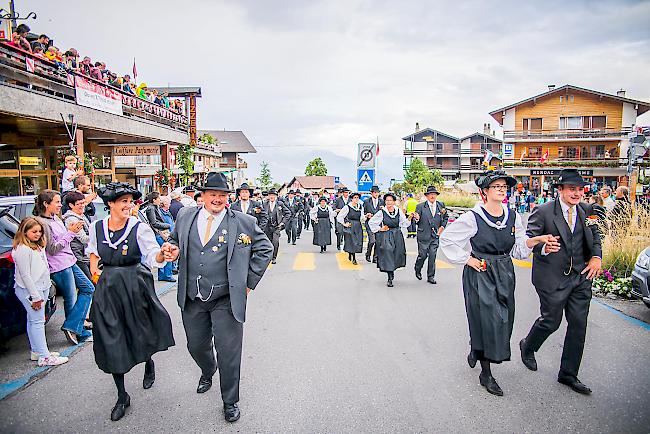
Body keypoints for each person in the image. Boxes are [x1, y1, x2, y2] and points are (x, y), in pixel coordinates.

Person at [164, 172, 273, 423]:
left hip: (226, 298)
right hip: (193, 295)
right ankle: (207, 369)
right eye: (212, 194)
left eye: (222, 195)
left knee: (229, 352)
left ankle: (230, 400)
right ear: (202, 196)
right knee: (196, 345)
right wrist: (171, 249)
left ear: (228, 197)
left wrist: (248, 283)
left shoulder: (243, 222)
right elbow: (174, 240)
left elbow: (264, 249)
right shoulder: (185, 216)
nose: (217, 199)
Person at [440, 171, 550, 396]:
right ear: (485, 192)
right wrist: (468, 259)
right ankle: (486, 372)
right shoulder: (473, 216)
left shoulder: (512, 216)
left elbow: (518, 250)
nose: (501, 189)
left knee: (504, 319)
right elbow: (447, 239)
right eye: (496, 186)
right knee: (488, 320)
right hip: (480, 271)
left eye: (504, 186)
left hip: (504, 272)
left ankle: (476, 347)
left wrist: (535, 240)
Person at [88, 182, 175, 421]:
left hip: (134, 283)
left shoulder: (138, 227)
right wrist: (97, 273)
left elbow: (152, 256)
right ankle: (121, 395)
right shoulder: (97, 227)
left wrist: (162, 253)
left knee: (140, 330)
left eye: (130, 201)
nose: (129, 206)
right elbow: (93, 253)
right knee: (111, 337)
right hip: (108, 288)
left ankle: (148, 361)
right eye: (123, 201)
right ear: (110, 204)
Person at [520, 169, 602, 396]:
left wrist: (596, 257)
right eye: (572, 189)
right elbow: (530, 240)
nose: (577, 194)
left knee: (578, 325)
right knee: (551, 321)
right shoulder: (543, 211)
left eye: (580, 189)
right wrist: (544, 247)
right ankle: (528, 345)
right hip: (552, 278)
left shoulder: (589, 210)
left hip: (581, 277)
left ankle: (568, 373)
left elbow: (595, 237)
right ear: (560, 190)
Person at [34, 190, 94, 345]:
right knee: (71, 298)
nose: (60, 205)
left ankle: (74, 326)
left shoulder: (55, 218)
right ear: (46, 204)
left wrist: (70, 233)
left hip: (70, 261)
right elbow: (52, 248)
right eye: (57, 202)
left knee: (88, 288)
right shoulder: (43, 223)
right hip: (59, 265)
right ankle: (76, 330)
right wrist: (71, 233)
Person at [12, 217, 68, 367]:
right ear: (24, 232)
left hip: (41, 286)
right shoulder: (22, 249)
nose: (37, 234)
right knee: (37, 321)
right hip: (30, 290)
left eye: (39, 231)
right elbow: (25, 275)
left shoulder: (37, 246)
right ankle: (44, 356)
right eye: (34, 231)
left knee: (34, 320)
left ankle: (37, 351)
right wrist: (35, 296)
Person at [368, 192, 411, 287]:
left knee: (396, 253)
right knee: (387, 251)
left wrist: (410, 218)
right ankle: (389, 276)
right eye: (387, 200)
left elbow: (404, 223)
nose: (388, 202)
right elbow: (372, 222)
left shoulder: (398, 211)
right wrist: (380, 229)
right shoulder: (382, 212)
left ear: (394, 202)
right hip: (386, 234)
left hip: (397, 235)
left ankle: (392, 270)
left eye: (390, 200)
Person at [413, 186, 448, 284]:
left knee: (432, 256)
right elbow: (417, 219)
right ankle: (417, 268)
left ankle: (431, 276)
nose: (432, 196)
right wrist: (416, 218)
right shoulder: (420, 206)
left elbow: (445, 217)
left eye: (434, 194)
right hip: (423, 234)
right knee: (422, 255)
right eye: (430, 194)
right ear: (427, 196)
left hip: (435, 235)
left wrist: (442, 227)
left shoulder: (441, 205)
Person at [144, 192, 174, 283]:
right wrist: (167, 225)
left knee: (163, 252)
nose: (160, 201)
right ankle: (167, 275)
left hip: (158, 233)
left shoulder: (153, 208)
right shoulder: (151, 209)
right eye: (158, 199)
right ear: (154, 200)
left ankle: (163, 275)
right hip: (159, 233)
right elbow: (154, 223)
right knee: (167, 252)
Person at [62, 191, 92, 280]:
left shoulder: (81, 215)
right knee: (89, 286)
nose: (82, 205)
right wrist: (98, 235)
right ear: (71, 205)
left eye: (83, 203)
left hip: (83, 255)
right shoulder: (72, 219)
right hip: (78, 257)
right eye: (79, 204)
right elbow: (83, 239)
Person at [263, 188, 290, 264]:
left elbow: (288, 213)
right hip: (267, 227)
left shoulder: (280, 204)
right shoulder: (264, 204)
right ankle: (269, 256)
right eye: (270, 195)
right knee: (268, 242)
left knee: (275, 242)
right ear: (268, 196)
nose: (272, 197)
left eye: (273, 195)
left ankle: (274, 257)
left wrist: (282, 223)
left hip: (276, 227)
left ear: (276, 196)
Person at [336, 192, 364, 264]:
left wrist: (366, 217)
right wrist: (344, 224)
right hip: (351, 225)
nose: (356, 199)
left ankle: (351, 254)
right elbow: (340, 216)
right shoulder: (347, 207)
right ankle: (353, 258)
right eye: (355, 198)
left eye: (357, 198)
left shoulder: (360, 206)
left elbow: (362, 217)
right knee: (352, 241)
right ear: (351, 199)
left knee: (357, 241)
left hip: (358, 225)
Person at [362, 186, 384, 263]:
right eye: (375, 192)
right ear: (371, 193)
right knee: (372, 241)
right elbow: (363, 213)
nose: (376, 194)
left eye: (377, 192)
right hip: (369, 224)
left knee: (378, 242)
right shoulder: (366, 201)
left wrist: (383, 209)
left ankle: (375, 257)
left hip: (378, 225)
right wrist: (366, 215)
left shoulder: (382, 201)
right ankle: (368, 254)